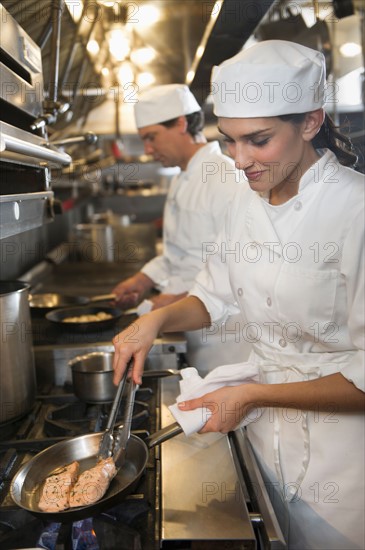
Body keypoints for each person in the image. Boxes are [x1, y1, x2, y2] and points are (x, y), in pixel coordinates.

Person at [112, 41, 365, 548]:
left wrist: (253, 394)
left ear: (311, 122)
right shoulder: (247, 204)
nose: (240, 159)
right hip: (263, 442)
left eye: (259, 140)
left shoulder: (354, 211)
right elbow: (213, 297)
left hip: (345, 464)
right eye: (228, 141)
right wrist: (156, 322)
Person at [112, 83, 251, 372]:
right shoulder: (181, 178)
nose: (148, 150)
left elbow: (240, 268)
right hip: (185, 328)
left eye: (152, 138)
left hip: (223, 342)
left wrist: (175, 301)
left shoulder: (225, 177)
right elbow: (177, 254)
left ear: (180, 123)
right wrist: (143, 280)